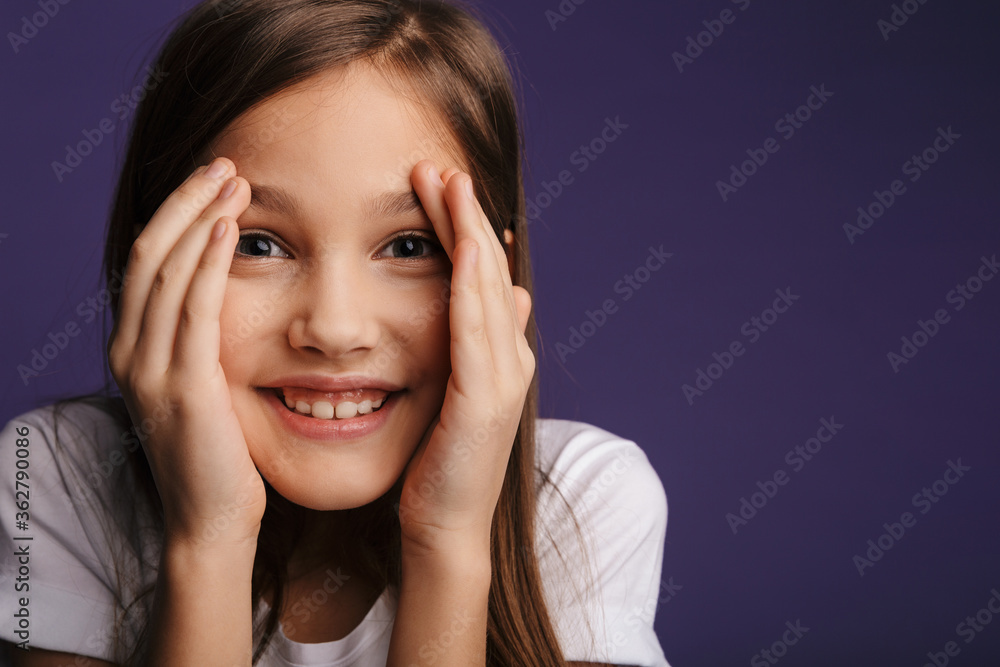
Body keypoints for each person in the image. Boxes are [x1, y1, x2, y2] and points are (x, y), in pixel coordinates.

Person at [0, 0, 670, 664]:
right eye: (259, 244)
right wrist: (210, 538)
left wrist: (450, 542)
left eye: (409, 246)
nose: (334, 328)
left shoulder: (583, 502)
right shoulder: (57, 475)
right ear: (155, 263)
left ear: (499, 276)